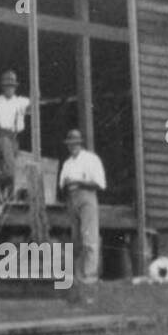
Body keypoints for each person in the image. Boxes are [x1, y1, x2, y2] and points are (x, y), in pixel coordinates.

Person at [59, 128, 105, 301]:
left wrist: (79, 181)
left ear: (81, 144)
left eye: (75, 143)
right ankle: (78, 278)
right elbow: (62, 183)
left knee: (89, 238)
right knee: (76, 239)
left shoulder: (91, 160)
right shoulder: (67, 163)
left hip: (87, 197)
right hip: (72, 199)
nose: (73, 146)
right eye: (70, 144)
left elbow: (100, 183)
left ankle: (90, 277)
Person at [0, 70, 30, 202]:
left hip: (10, 138)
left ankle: (6, 195)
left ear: (15, 87)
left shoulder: (20, 101)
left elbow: (34, 101)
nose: (9, 88)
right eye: (6, 86)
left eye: (11, 86)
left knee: (12, 172)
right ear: (3, 87)